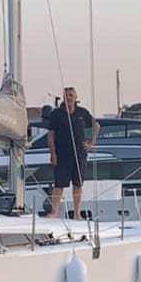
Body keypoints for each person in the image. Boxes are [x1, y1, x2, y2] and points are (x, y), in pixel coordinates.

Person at [47, 88, 100, 219]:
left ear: (76, 97)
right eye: (66, 95)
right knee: (59, 183)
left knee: (78, 183)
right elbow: (51, 134)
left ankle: (77, 213)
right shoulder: (56, 114)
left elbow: (97, 125)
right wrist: (52, 152)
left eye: (71, 95)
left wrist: (91, 142)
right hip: (62, 153)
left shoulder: (82, 112)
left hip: (79, 153)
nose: (68, 98)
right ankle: (54, 212)